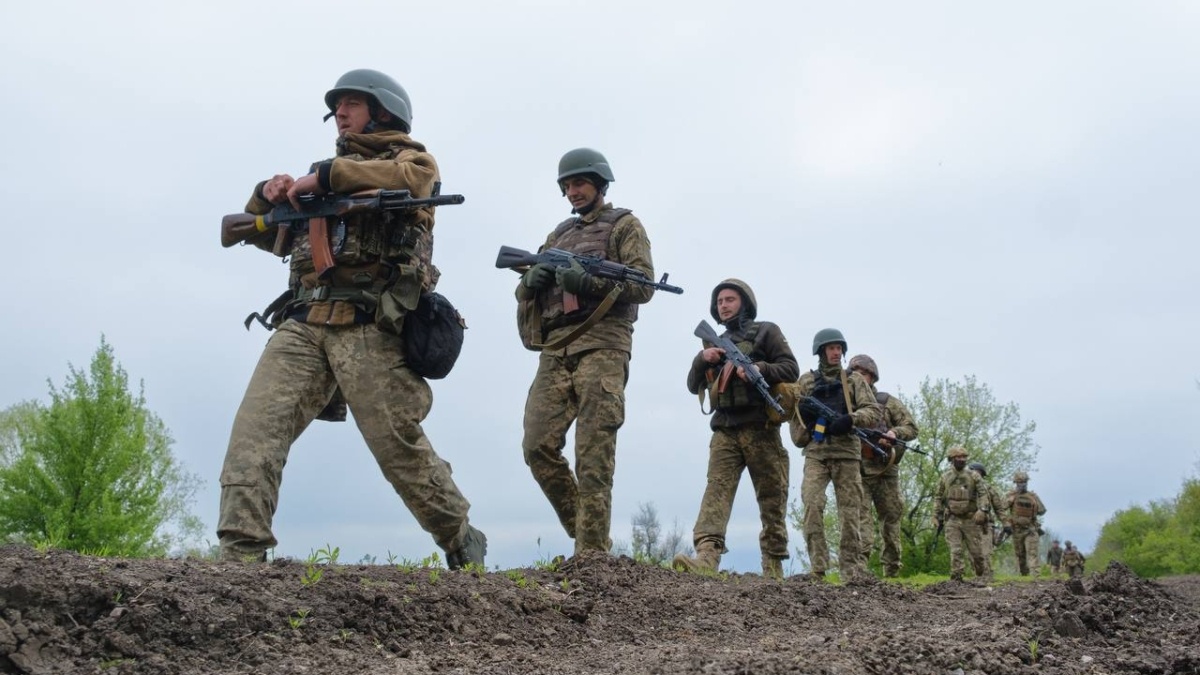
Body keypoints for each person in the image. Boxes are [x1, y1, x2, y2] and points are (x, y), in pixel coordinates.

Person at [217, 69, 487, 568]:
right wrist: (268, 195)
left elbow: (413, 180)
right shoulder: (316, 183)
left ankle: (460, 537)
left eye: (352, 104)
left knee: (398, 448)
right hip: (304, 322)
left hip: (369, 326)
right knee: (254, 434)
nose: (339, 113)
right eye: (336, 107)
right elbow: (261, 234)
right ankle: (241, 555)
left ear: (383, 112)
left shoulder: (410, 161)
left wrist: (326, 178)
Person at [515, 148, 656, 553]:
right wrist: (529, 281)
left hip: (603, 344)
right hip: (557, 348)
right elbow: (526, 288)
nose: (572, 192)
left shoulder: (625, 225)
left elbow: (644, 285)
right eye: (567, 186)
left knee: (593, 454)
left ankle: (591, 556)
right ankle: (589, 535)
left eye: (579, 183)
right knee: (537, 446)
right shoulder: (558, 235)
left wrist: (588, 283)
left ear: (599, 183)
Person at [672, 280, 799, 578]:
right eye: (719, 301)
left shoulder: (767, 331)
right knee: (716, 491)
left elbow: (791, 369)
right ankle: (706, 556)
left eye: (730, 299)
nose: (724, 305)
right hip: (725, 430)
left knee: (772, 497)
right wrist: (701, 360)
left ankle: (773, 565)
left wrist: (759, 369)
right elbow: (692, 385)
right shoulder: (715, 342)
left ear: (745, 302)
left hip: (760, 428)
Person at [788, 329, 882, 580]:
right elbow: (792, 414)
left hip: (847, 453)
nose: (836, 352)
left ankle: (850, 571)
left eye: (839, 348)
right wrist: (806, 426)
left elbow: (873, 411)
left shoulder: (854, 380)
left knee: (850, 512)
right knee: (812, 505)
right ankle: (818, 569)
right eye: (831, 348)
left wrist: (851, 419)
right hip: (816, 453)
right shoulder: (806, 381)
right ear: (821, 351)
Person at [847, 354, 918, 578]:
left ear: (872, 377)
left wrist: (894, 433)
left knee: (891, 519)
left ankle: (892, 569)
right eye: (855, 373)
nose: (860, 378)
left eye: (864, 374)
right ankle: (859, 572)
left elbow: (912, 427)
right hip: (859, 471)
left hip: (886, 470)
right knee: (860, 521)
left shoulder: (887, 402)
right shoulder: (845, 403)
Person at [1002, 470, 1047, 576]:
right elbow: (1001, 508)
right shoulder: (1011, 495)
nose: (1022, 484)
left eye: (1024, 482)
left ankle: (1035, 576)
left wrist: (1034, 503)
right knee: (1020, 555)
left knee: (1032, 553)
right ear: (1016, 483)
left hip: (1030, 529)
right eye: (1020, 482)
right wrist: (1010, 501)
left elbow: (1042, 510)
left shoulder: (1033, 496)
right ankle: (1024, 575)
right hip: (1017, 530)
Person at [967, 461, 1005, 568]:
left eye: (976, 472)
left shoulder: (989, 489)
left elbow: (999, 508)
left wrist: (1005, 523)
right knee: (973, 556)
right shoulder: (964, 488)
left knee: (985, 553)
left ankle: (987, 576)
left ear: (981, 474)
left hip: (985, 525)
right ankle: (978, 576)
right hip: (969, 526)